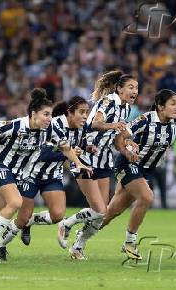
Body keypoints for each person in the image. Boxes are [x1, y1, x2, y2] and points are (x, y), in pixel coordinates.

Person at [0, 89, 92, 262]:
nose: (49, 119)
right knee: (15, 202)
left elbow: (65, 148)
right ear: (34, 114)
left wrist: (78, 163)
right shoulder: (17, 125)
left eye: (51, 115)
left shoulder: (49, 130)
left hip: (19, 173)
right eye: (46, 114)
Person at [99, 89, 176, 260]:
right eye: (172, 104)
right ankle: (130, 243)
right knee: (147, 197)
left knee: (113, 211)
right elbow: (120, 137)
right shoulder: (145, 120)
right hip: (128, 163)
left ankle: (80, 236)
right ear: (160, 106)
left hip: (146, 170)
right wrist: (128, 151)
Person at [0, 96, 94, 261]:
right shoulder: (54, 125)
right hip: (31, 174)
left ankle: (30, 223)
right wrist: (67, 154)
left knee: (58, 215)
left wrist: (87, 148)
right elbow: (44, 154)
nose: (85, 116)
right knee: (21, 217)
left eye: (86, 113)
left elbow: (76, 146)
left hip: (52, 176)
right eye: (82, 112)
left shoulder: (80, 128)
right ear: (70, 113)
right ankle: (0, 246)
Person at [59, 71, 138, 260]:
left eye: (136, 88)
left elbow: (115, 139)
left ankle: (77, 248)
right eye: (130, 87)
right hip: (85, 154)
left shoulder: (126, 108)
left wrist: (128, 145)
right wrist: (113, 126)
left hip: (103, 158)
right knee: (99, 210)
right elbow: (94, 124)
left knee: (101, 214)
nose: (135, 91)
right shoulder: (109, 101)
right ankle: (66, 223)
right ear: (119, 88)